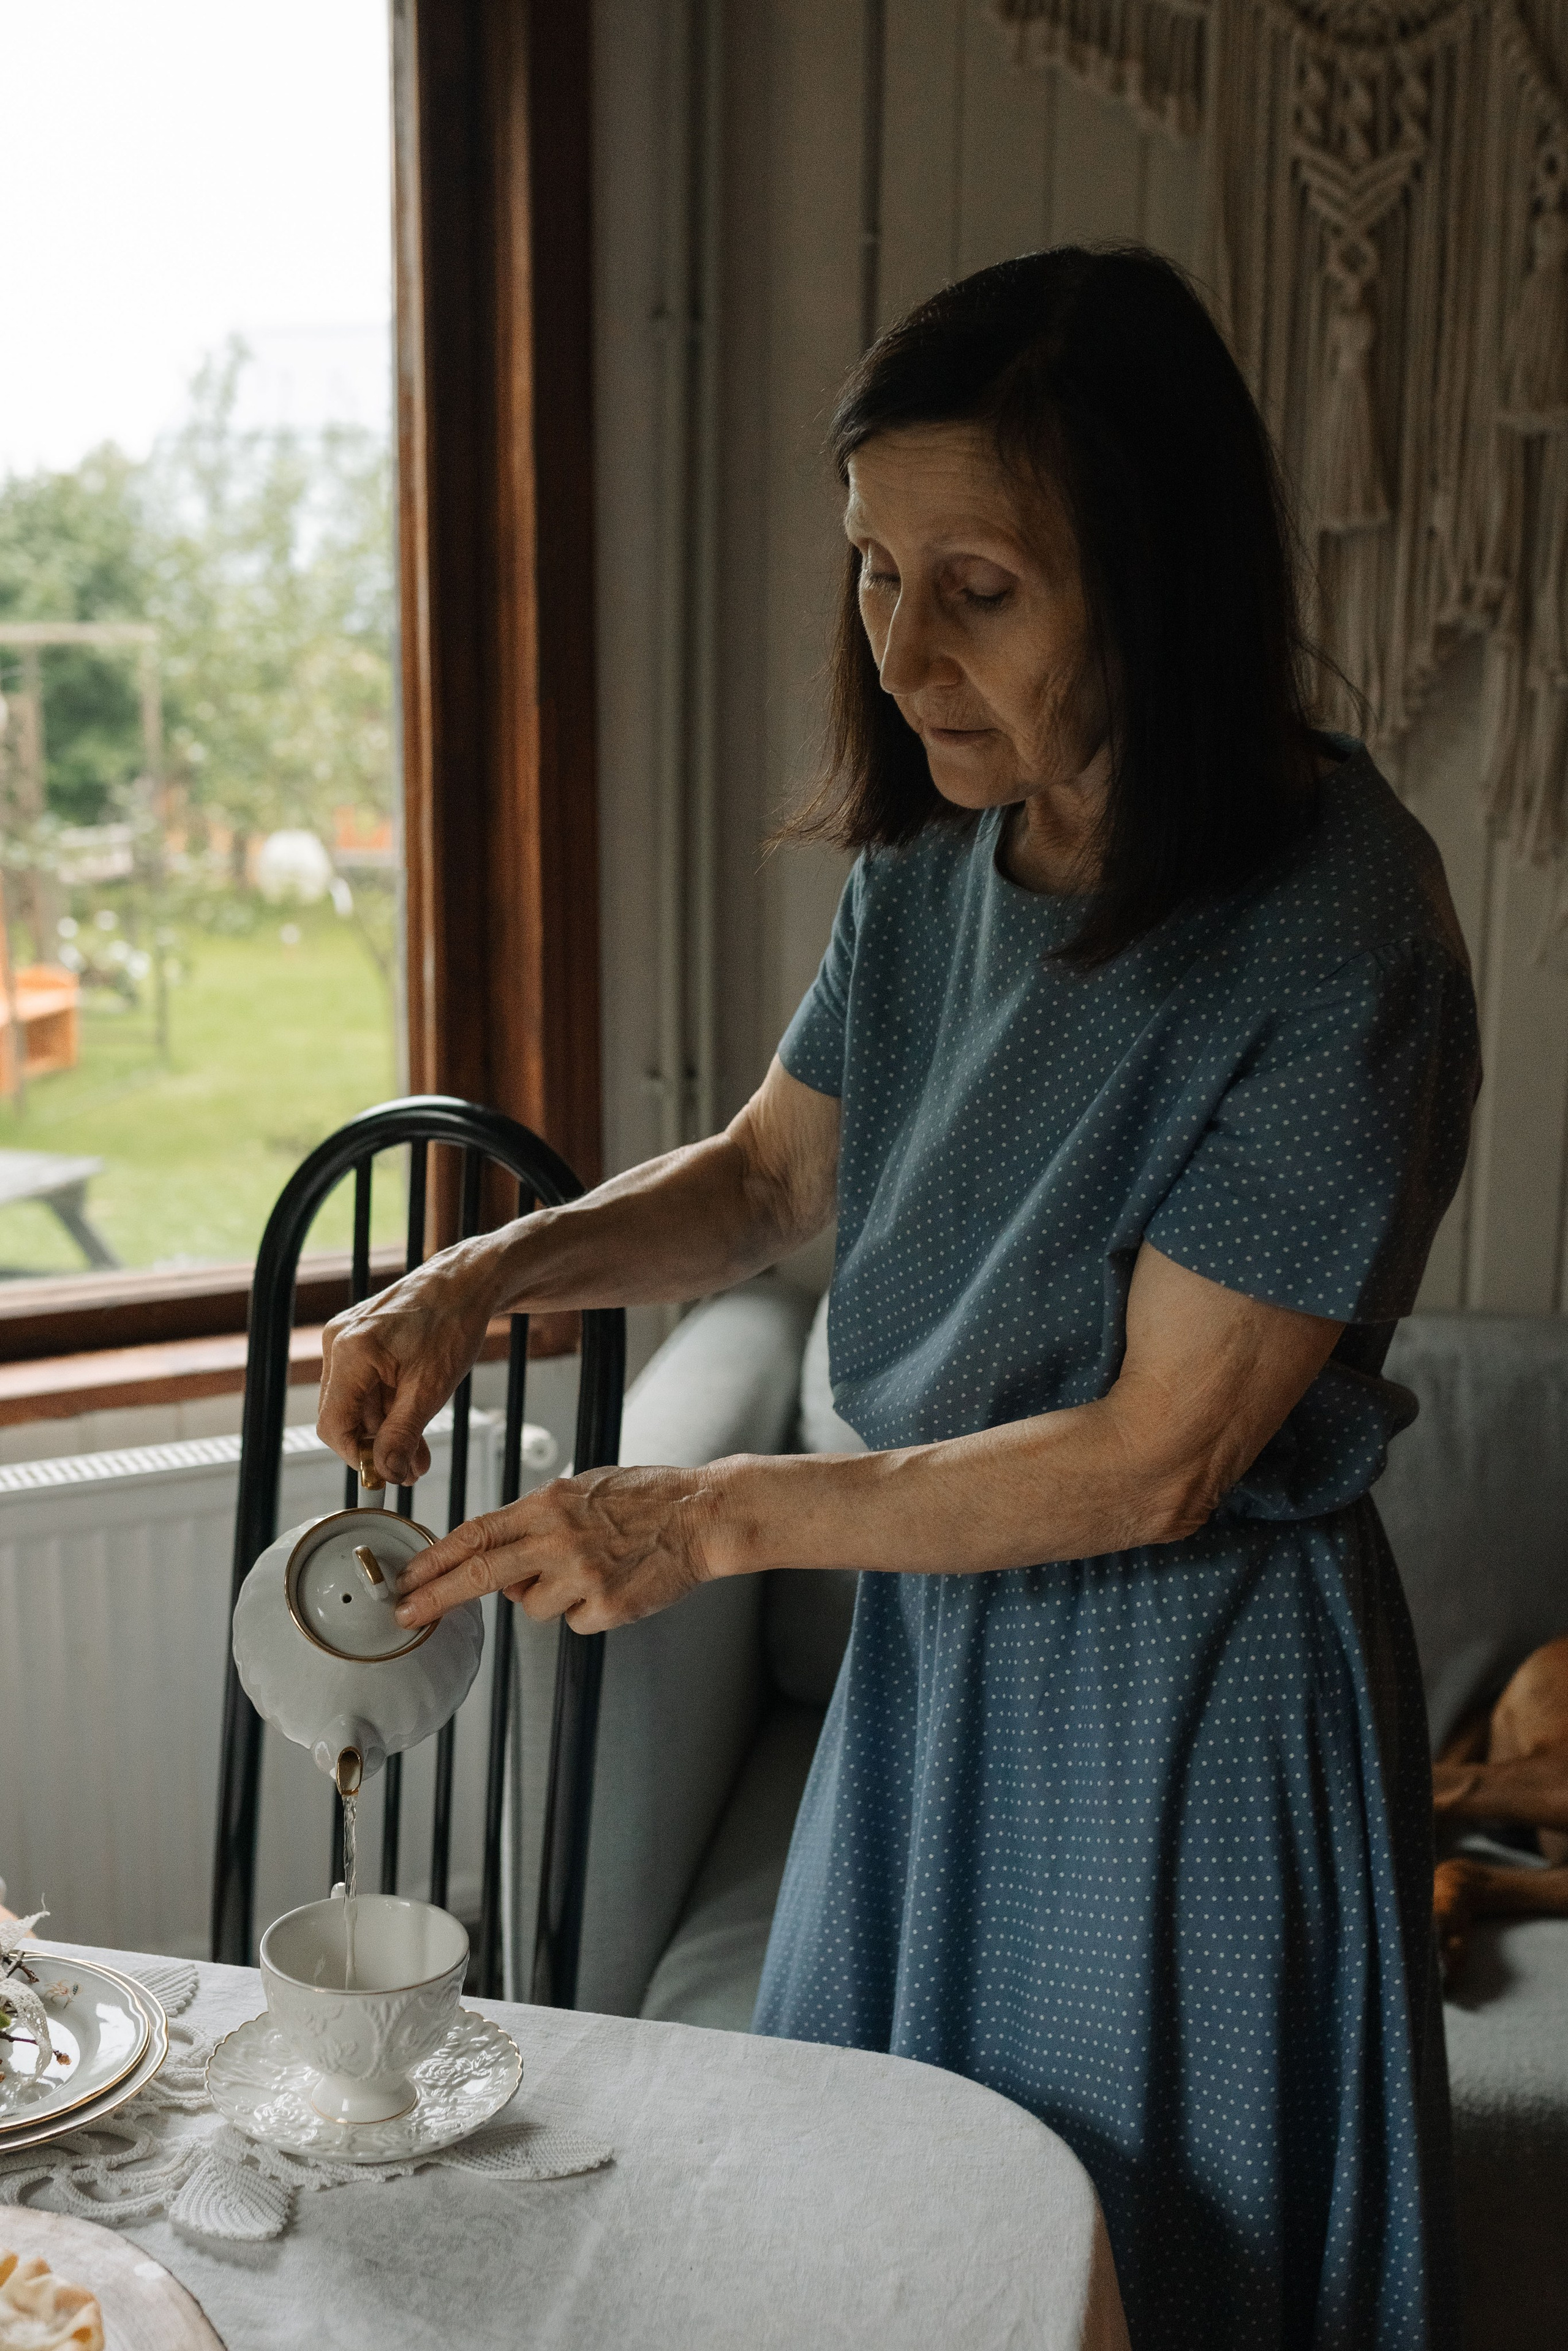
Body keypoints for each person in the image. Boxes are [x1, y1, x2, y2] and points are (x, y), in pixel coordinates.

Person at [318, 247, 1479, 2350]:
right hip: (937, 1673)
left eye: (983, 586)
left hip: (1183, 1713)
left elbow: (1156, 1460)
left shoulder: (1337, 927)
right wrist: (481, 1275)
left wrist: (710, 1514)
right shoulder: (939, 859)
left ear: (1159, 578)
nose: (909, 651)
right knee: (877, 2260)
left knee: (1139, 2277)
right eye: (873, 573)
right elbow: (772, 1173)